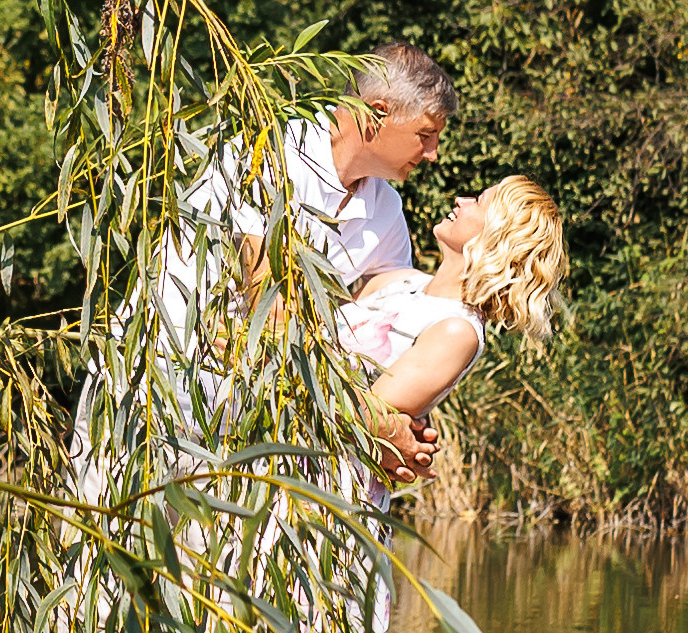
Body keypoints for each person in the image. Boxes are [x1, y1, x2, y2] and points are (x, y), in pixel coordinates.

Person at [157, 42, 458, 485]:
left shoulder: (386, 211)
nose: (433, 153)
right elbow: (271, 315)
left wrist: (402, 431)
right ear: (378, 113)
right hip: (155, 397)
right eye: (425, 134)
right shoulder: (268, 156)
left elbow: (381, 338)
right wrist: (374, 424)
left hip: (251, 432)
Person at [337, 175, 569, 513]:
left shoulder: (457, 331)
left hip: (330, 489)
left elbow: (360, 415)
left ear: (498, 236)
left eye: (479, 200)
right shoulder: (397, 282)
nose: (461, 199)